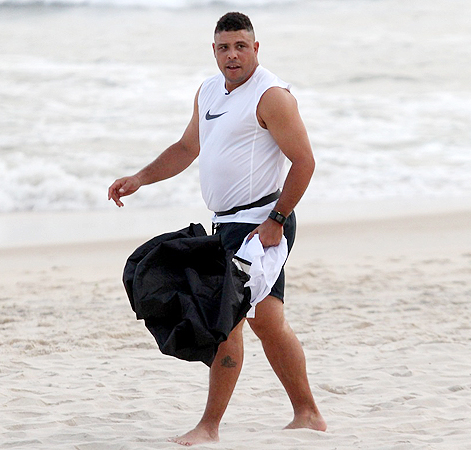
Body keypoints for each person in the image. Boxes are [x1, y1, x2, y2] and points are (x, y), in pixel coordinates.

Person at [108, 12, 327, 446]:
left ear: (256, 49)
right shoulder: (209, 91)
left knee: (225, 321)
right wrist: (140, 178)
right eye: (224, 47)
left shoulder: (271, 96)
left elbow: (304, 162)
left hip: (260, 224)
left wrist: (276, 221)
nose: (232, 55)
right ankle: (308, 414)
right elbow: (189, 147)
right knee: (267, 322)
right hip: (226, 225)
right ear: (214, 51)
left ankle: (209, 426)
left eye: (241, 46)